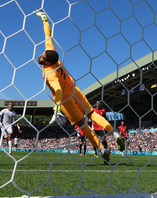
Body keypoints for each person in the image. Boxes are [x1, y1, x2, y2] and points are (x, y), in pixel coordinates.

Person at [35, 8, 125, 163]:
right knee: (92, 114)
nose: (40, 55)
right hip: (75, 90)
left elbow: (57, 89)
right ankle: (114, 132)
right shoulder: (52, 54)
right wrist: (44, 18)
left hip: (66, 101)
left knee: (84, 126)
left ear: (48, 62)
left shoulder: (50, 72)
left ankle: (102, 150)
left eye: (42, 56)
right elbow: (48, 34)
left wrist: (57, 107)